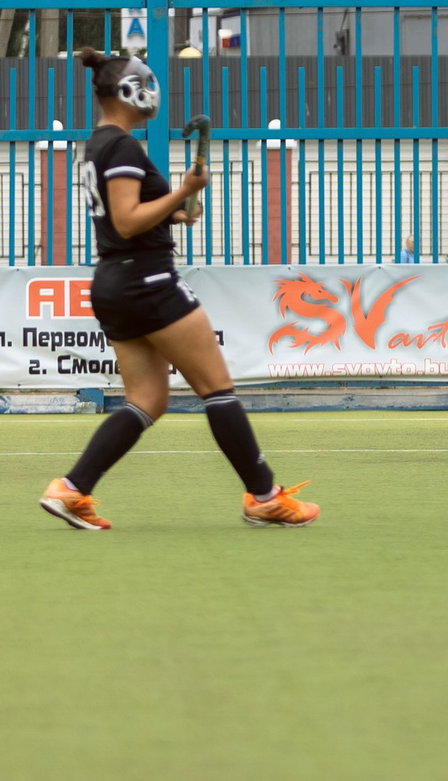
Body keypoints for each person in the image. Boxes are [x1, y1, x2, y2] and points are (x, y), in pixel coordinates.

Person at [39, 49, 319, 531]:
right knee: (217, 388)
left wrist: (174, 212)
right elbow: (126, 221)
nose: (153, 90)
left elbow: (127, 215)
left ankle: (71, 489)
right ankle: (264, 496)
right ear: (128, 91)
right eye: (145, 83)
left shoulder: (100, 144)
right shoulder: (123, 148)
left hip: (115, 281)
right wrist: (182, 190)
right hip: (147, 280)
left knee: (147, 400)